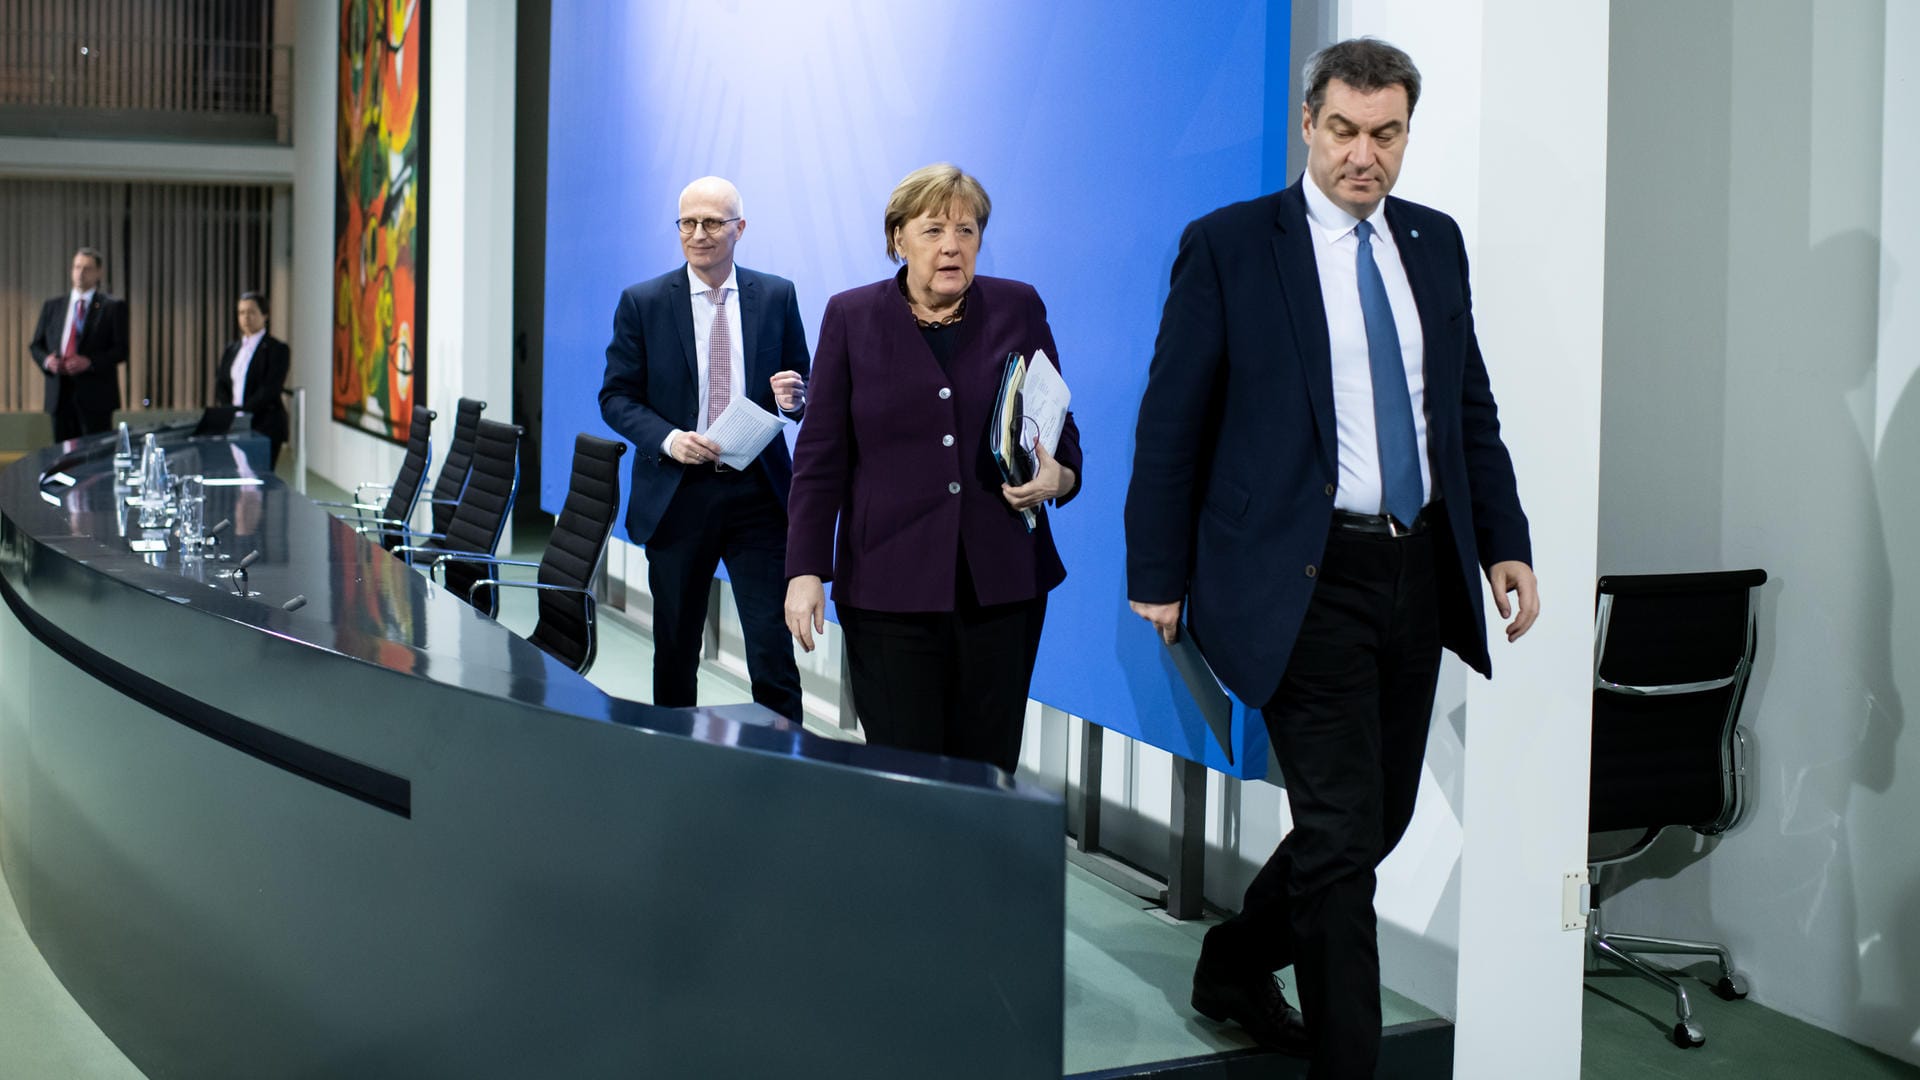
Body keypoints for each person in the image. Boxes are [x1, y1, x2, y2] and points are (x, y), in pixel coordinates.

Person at [1123, 38, 1540, 1078]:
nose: (1366, 155)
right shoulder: (1228, 245)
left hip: (1415, 570)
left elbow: (1466, 413)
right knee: (1345, 836)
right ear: (1308, 125)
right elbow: (1171, 421)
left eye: (1387, 133)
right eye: (1345, 131)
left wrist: (1507, 545)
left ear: (1407, 131)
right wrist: (1155, 574)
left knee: (1377, 817)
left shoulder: (1434, 245)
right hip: (1294, 577)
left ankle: (1232, 961)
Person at [783, 163, 1083, 775]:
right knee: (904, 769)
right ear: (898, 238)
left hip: (1001, 586)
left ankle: (975, 873)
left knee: (987, 768)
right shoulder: (851, 316)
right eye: (934, 230)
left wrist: (1062, 478)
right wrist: (807, 569)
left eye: (967, 231)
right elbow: (820, 459)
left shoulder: (1017, 307)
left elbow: (1060, 428)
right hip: (889, 586)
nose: (952, 245)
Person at [600, 177, 811, 723]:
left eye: (713, 222)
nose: (699, 234)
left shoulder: (777, 295)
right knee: (675, 647)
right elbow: (616, 396)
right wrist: (669, 439)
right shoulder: (643, 303)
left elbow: (803, 388)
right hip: (678, 495)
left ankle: (782, 766)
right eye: (688, 223)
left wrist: (795, 398)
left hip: (757, 495)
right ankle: (674, 765)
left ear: (740, 229)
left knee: (771, 648)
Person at [29, 247, 129, 441]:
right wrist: (47, 361)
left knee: (94, 457)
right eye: (77, 267)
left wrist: (89, 362)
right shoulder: (53, 306)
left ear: (99, 273)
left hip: (95, 396)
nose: (80, 273)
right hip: (60, 394)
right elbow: (36, 345)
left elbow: (121, 350)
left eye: (87, 268)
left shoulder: (112, 307)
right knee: (62, 455)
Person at [214, 291, 292, 469]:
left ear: (264, 315)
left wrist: (244, 410)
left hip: (264, 424)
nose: (246, 317)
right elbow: (222, 383)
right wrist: (230, 412)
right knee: (238, 475)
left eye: (251, 312)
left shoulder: (277, 349)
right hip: (234, 424)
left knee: (258, 478)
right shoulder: (232, 349)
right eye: (241, 313)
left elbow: (270, 388)